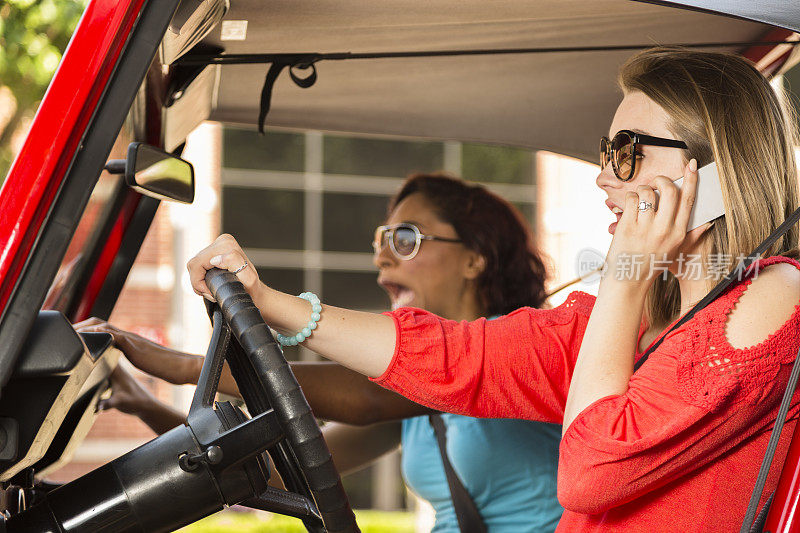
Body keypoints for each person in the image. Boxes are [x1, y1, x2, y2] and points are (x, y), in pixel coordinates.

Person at [184, 47, 800, 532]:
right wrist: (271, 303)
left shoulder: (774, 295)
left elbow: (590, 471)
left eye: (628, 154)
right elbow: (465, 358)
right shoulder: (649, 318)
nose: (605, 178)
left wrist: (625, 275)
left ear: (715, 174)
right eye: (605, 153)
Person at [81, 173, 564, 532]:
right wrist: (145, 404)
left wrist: (188, 367)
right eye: (381, 240)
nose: (382, 257)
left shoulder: (511, 348)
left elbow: (365, 397)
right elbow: (272, 473)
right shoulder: (412, 394)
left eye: (406, 238)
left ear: (475, 258)